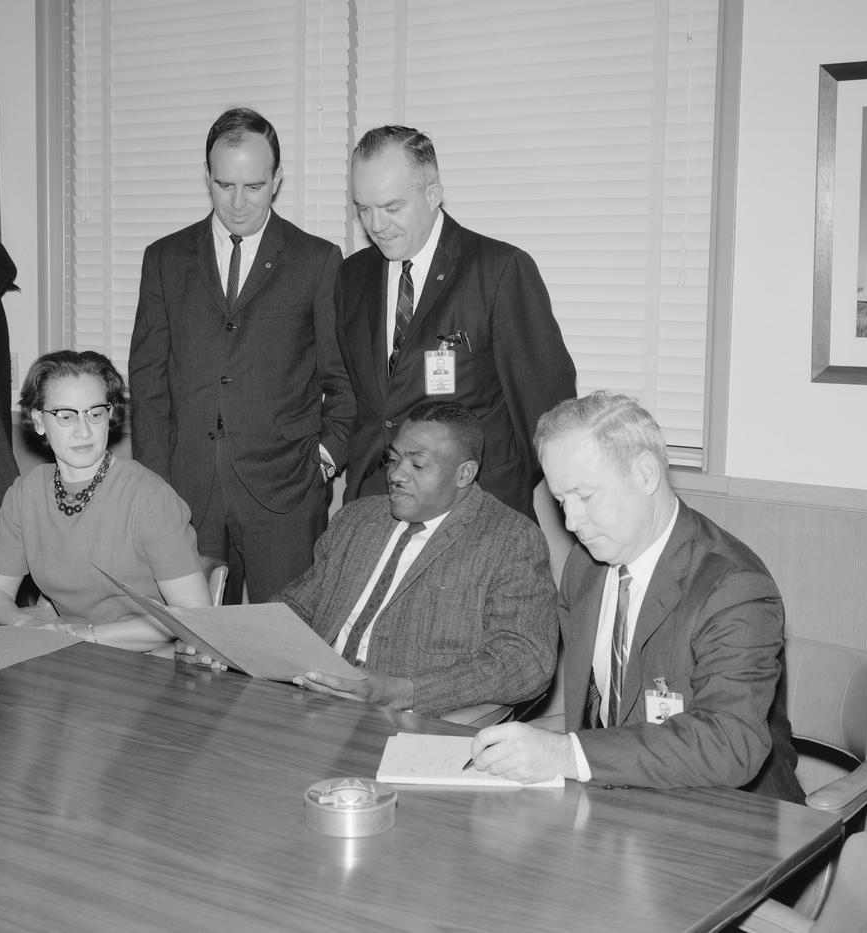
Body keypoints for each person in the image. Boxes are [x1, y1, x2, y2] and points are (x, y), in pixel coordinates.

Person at [467, 391, 804, 801]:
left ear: (645, 474)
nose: (572, 521)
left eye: (586, 496)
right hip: (619, 799)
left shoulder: (733, 587)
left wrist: (563, 753)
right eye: (560, 501)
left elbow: (729, 744)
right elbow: (593, 717)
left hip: (728, 812)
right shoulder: (585, 567)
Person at [130, 107, 354, 603]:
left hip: (286, 494)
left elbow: (341, 376)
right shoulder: (164, 259)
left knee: (288, 652)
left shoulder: (317, 260)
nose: (237, 202)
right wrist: (154, 485)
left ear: (276, 180)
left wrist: (327, 455)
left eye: (253, 186)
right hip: (186, 496)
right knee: (195, 655)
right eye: (223, 184)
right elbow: (147, 380)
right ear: (206, 177)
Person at [337, 125, 575, 519]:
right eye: (364, 208)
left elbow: (547, 414)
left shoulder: (498, 271)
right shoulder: (352, 277)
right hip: (375, 505)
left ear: (433, 195)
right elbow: (362, 401)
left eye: (392, 207)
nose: (376, 225)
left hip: (473, 509)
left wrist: (498, 488)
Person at [277, 400, 558, 718]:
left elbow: (525, 660)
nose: (396, 474)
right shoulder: (356, 519)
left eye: (417, 465)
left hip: (410, 724)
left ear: (464, 474)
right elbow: (297, 607)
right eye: (393, 459)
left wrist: (404, 692)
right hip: (313, 705)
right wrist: (234, 643)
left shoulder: (509, 539)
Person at [0, 350, 212, 651]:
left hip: (148, 660)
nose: (83, 431)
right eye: (66, 416)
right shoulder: (26, 494)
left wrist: (89, 636)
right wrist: (28, 624)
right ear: (38, 421)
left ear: (109, 416)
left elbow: (192, 616)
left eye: (95, 413)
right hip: (65, 654)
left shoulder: (150, 498)